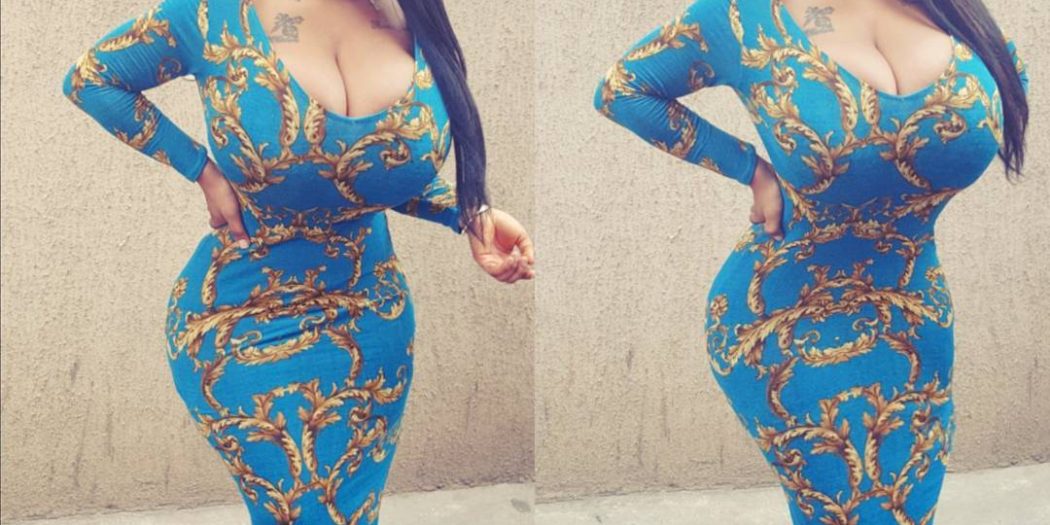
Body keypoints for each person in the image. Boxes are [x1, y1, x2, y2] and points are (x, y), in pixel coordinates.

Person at [61, 0, 534, 522]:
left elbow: (362, 171)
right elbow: (92, 78)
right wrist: (202, 170)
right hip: (241, 324)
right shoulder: (214, 13)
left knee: (352, 514)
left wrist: (470, 214)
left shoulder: (409, 19)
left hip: (370, 324)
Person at [594, 0, 1028, 522]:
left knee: (910, 510)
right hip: (783, 321)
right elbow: (623, 89)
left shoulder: (957, 16)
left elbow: (1005, 88)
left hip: (915, 319)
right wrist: (752, 170)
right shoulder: (744, 15)